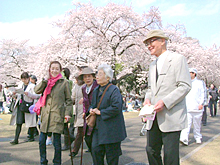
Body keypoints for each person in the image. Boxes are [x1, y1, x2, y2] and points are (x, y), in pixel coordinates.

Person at [143, 29, 191, 165]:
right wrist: (147, 99)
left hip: (172, 115)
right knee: (150, 150)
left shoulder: (177, 59)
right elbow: (151, 89)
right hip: (153, 117)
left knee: (170, 156)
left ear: (162, 41)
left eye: (151, 41)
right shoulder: (152, 65)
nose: (149, 45)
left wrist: (165, 101)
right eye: (147, 43)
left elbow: (185, 86)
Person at [34, 61, 73, 165]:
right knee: (42, 141)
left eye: (57, 68)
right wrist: (44, 81)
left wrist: (68, 113)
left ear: (60, 70)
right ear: (49, 69)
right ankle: (43, 161)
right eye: (52, 68)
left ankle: (57, 162)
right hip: (45, 116)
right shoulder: (46, 82)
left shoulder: (64, 83)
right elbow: (36, 90)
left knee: (56, 143)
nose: (54, 70)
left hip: (57, 115)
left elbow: (69, 100)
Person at [89, 64, 127, 165]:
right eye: (97, 74)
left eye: (100, 74)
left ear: (108, 77)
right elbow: (92, 105)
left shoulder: (114, 90)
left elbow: (116, 107)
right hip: (98, 129)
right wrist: (91, 110)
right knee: (96, 152)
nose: (97, 76)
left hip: (112, 130)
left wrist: (101, 112)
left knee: (112, 158)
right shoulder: (96, 90)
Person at [10, 72, 39, 144]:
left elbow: (37, 96)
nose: (24, 80)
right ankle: (16, 139)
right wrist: (15, 94)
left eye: (25, 79)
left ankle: (31, 136)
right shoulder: (20, 85)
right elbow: (18, 94)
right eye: (22, 79)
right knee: (19, 122)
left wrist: (28, 94)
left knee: (30, 122)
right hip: (21, 105)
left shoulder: (32, 86)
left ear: (28, 78)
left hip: (29, 105)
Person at [180, 68, 205, 145]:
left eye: (190, 73)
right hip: (188, 107)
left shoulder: (200, 83)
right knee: (186, 124)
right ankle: (184, 139)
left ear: (194, 73)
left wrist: (201, 103)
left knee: (197, 124)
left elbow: (203, 93)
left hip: (197, 107)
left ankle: (198, 137)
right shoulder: (186, 83)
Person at [79, 67, 98, 153]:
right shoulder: (83, 88)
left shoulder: (97, 86)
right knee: (87, 136)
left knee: (95, 136)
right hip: (87, 114)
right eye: (85, 77)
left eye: (89, 76)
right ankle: (92, 150)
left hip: (96, 114)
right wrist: (84, 111)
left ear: (93, 77)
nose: (87, 79)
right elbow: (84, 101)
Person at [69, 72, 84, 157]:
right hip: (79, 113)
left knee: (88, 135)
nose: (77, 80)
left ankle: (92, 150)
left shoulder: (87, 86)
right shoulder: (76, 87)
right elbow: (72, 98)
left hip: (87, 112)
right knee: (80, 133)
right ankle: (75, 150)